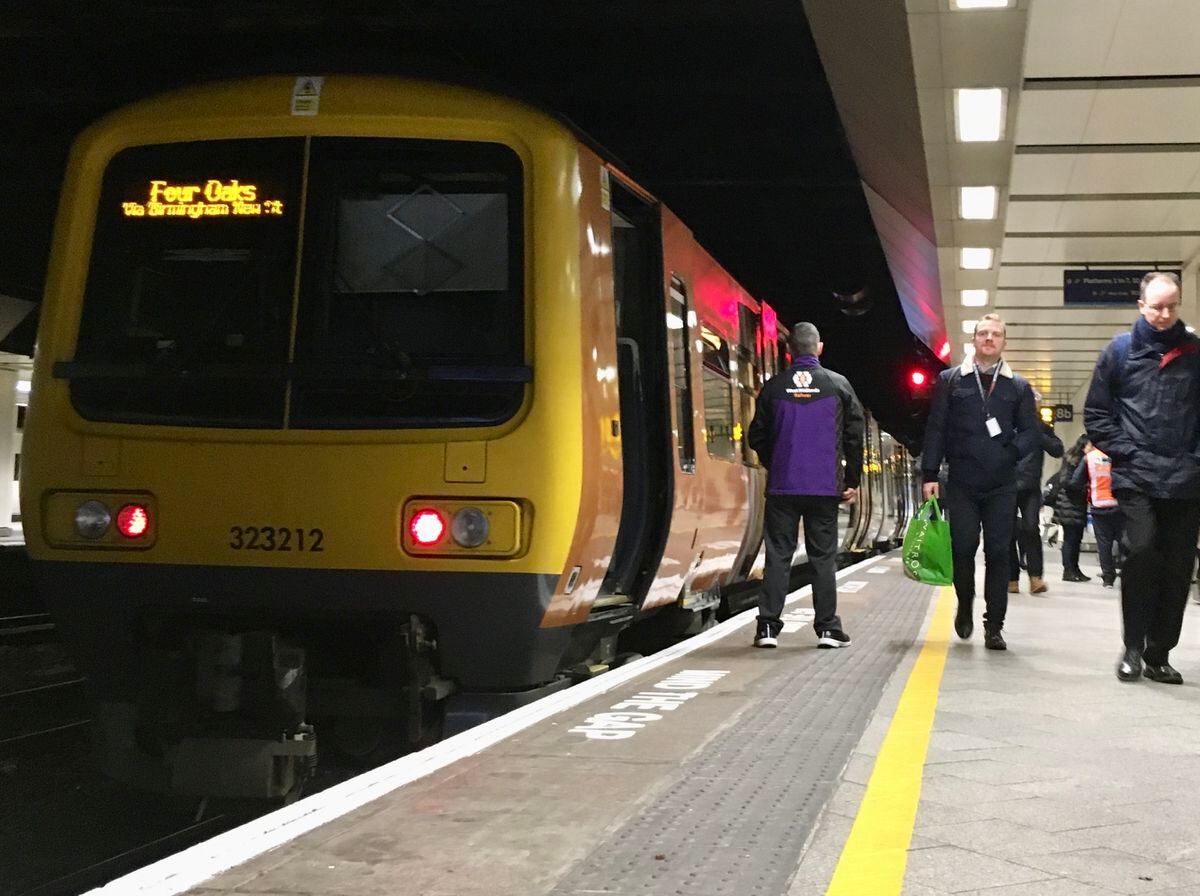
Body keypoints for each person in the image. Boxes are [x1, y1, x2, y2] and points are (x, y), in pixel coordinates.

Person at [1084, 271, 1200, 684]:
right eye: (1156, 307)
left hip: (1186, 481)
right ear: (1140, 305)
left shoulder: (1194, 352)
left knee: (1177, 567)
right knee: (1142, 552)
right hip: (1136, 476)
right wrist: (1129, 453)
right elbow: (1096, 414)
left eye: (1172, 306)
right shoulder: (1119, 352)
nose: (1165, 314)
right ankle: (1132, 645)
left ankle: (1158, 653)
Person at [921, 313, 1040, 650]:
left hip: (1002, 484)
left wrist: (1011, 453)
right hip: (961, 482)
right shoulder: (950, 380)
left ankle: (994, 625)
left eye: (996, 334)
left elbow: (1031, 432)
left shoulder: (1017, 386)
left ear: (1004, 342)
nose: (989, 339)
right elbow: (936, 428)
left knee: (1000, 552)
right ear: (973, 340)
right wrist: (930, 474)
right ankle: (965, 604)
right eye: (983, 333)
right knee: (962, 548)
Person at [748, 322, 865, 649]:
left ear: (789, 350)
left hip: (783, 488)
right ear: (819, 348)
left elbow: (755, 435)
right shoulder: (838, 385)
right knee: (823, 559)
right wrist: (851, 480)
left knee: (778, 556)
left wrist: (779, 462)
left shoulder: (773, 387)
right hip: (825, 489)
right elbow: (855, 437)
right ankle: (827, 629)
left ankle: (768, 629)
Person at [1007, 417, 1063, 595]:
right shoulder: (1004, 419)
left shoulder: (1039, 426)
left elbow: (1057, 449)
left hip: (1030, 486)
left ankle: (1035, 578)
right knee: (1007, 533)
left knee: (1031, 529)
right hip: (1006, 484)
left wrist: (1039, 434)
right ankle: (1011, 578)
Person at [1072, 443, 1123, 588]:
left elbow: (1076, 481)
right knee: (1124, 542)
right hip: (1119, 505)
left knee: (1104, 543)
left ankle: (1108, 578)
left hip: (1099, 506)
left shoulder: (1090, 458)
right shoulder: (1118, 452)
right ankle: (1128, 574)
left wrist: (1088, 487)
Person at [1048, 435, 1090, 582]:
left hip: (1077, 505)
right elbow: (1066, 482)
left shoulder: (1079, 460)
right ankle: (1068, 570)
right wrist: (1085, 487)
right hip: (1069, 504)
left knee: (1076, 539)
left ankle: (1075, 568)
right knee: (1070, 539)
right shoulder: (1072, 460)